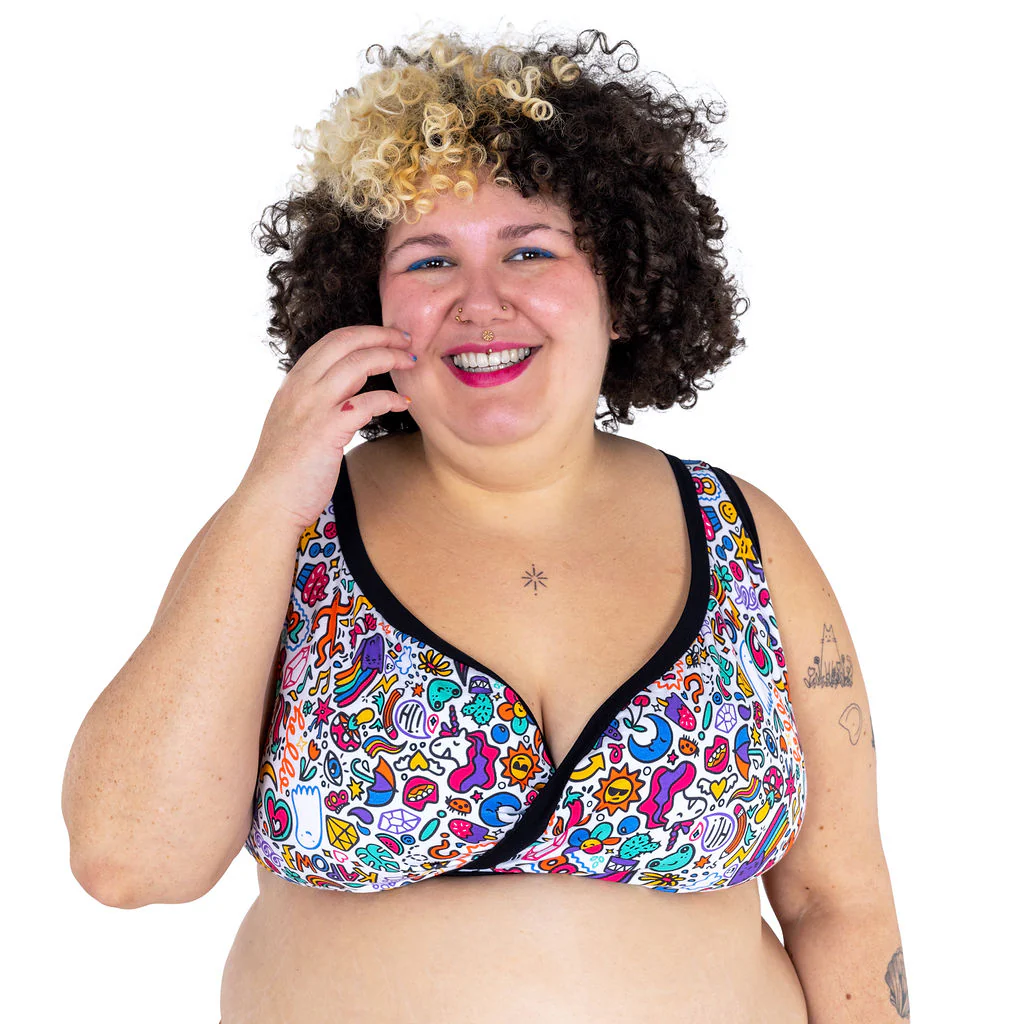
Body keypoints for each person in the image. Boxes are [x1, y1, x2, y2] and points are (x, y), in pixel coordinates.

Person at [61, 27, 909, 1024]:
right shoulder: (285, 530)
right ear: (367, 304)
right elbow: (129, 861)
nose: (480, 300)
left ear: (622, 289)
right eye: (429, 261)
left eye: (529, 250)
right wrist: (269, 495)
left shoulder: (743, 534)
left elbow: (837, 900)